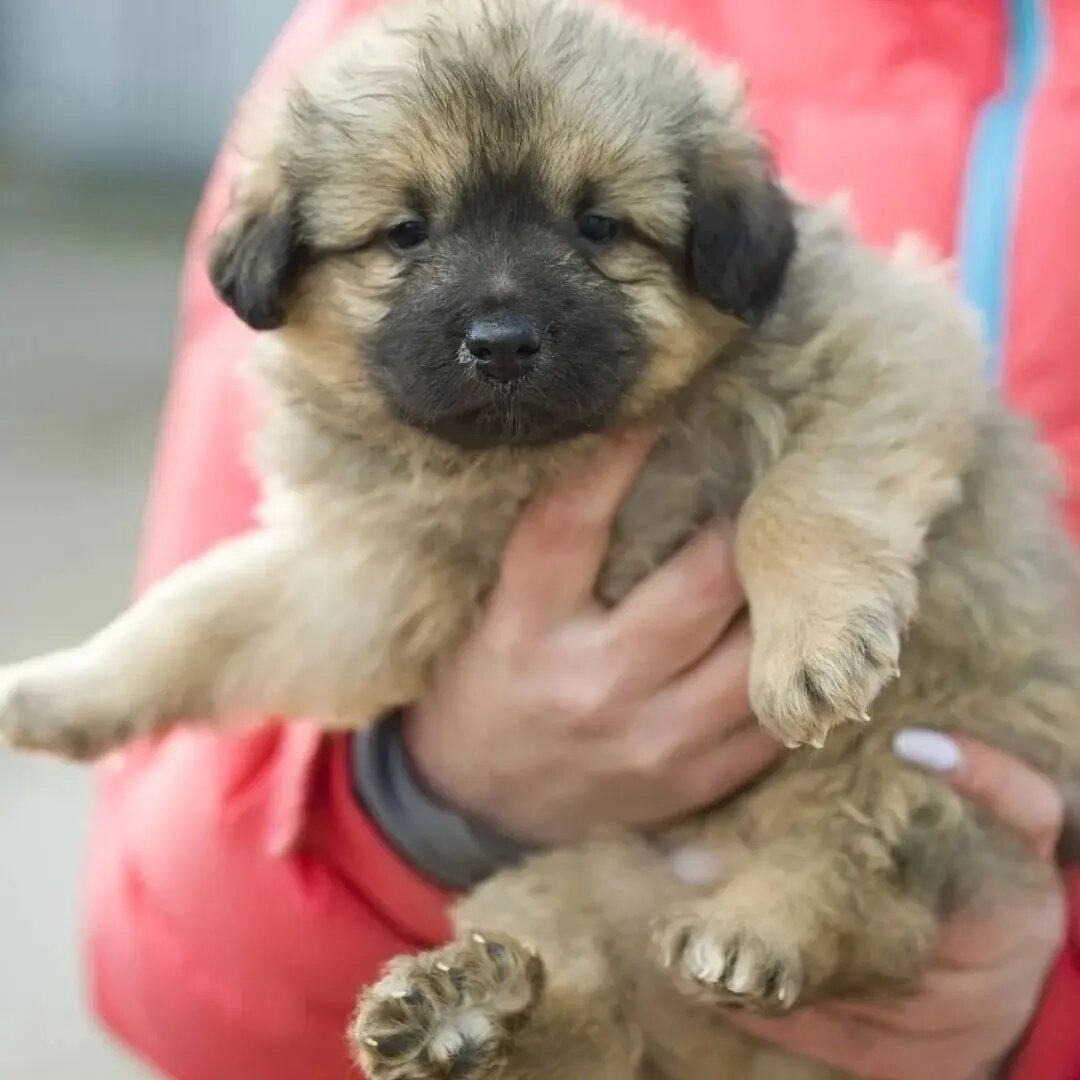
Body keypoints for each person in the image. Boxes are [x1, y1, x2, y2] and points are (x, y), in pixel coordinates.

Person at [85, 1, 1080, 1077]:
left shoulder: (803, 294)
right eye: (407, 237)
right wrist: (434, 804)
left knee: (847, 871)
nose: (502, 316)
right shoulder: (362, 43)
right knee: (560, 927)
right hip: (556, 900)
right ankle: (541, 1016)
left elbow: (903, 365)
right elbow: (165, 940)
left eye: (599, 230)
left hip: (910, 802)